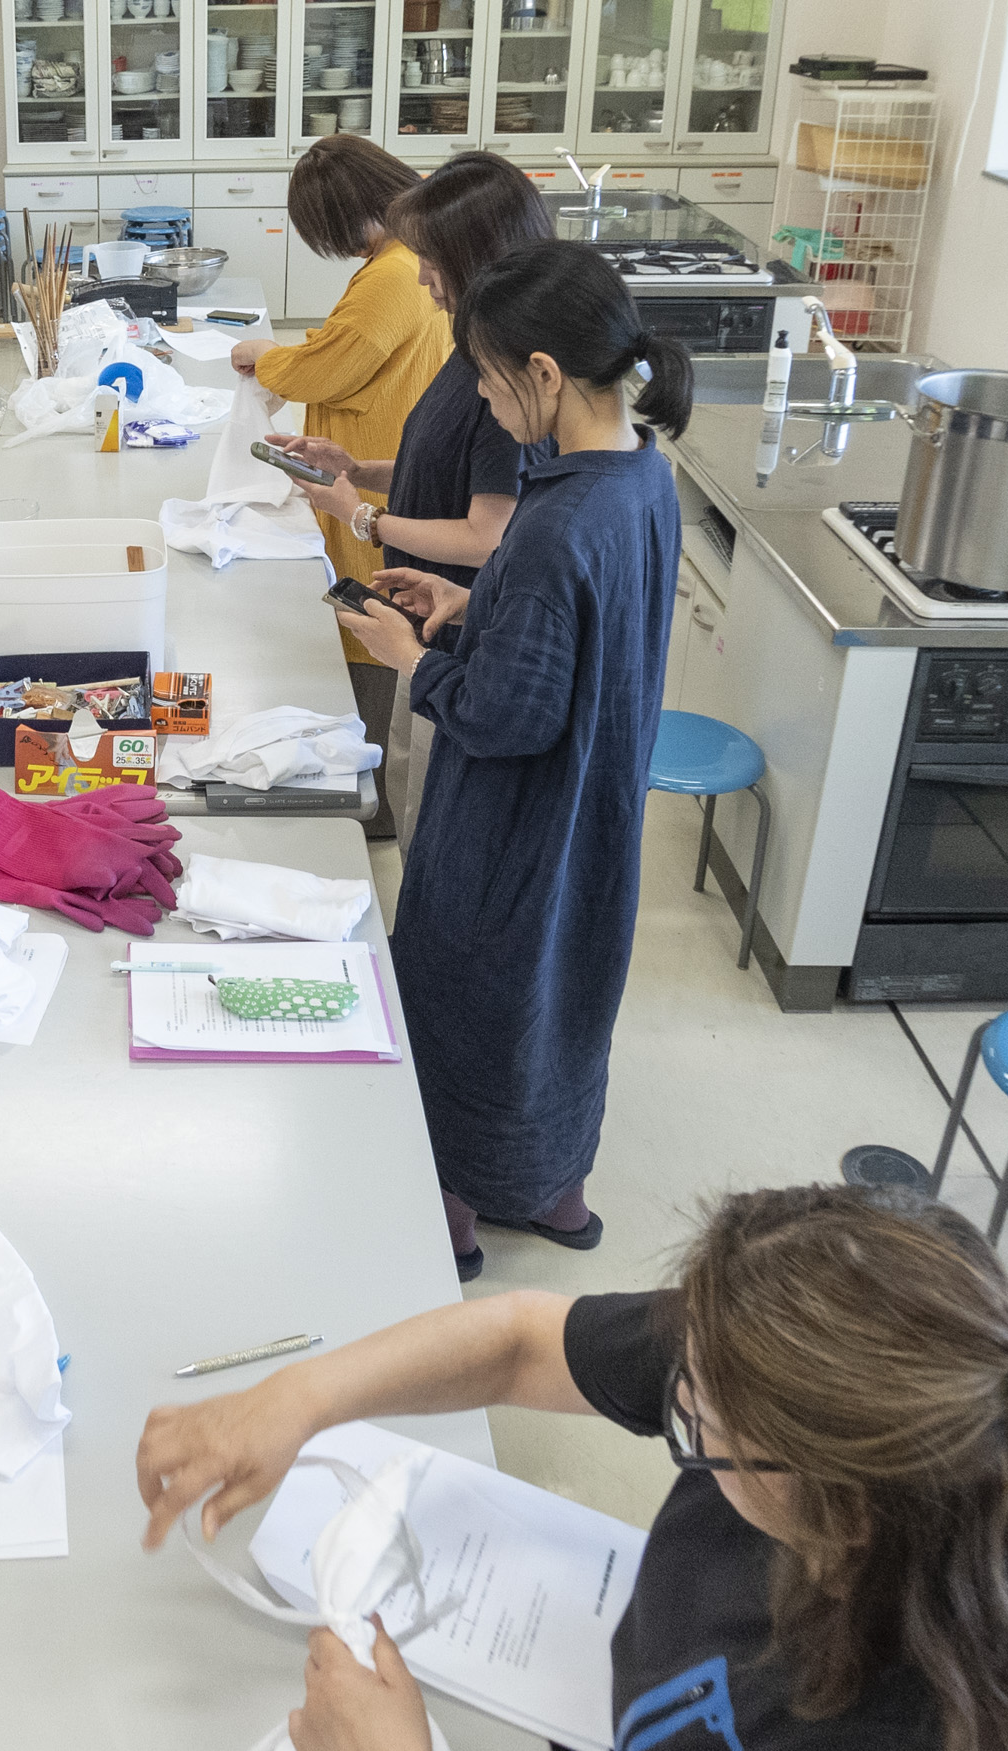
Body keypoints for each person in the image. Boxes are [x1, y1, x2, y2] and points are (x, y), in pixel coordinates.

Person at [136, 1183, 1008, 1751]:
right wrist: (300, 1399)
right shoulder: (796, 1380)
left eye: (700, 1423)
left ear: (843, 1515)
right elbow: (527, 1340)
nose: (680, 1411)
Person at [333, 239, 687, 1272]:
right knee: (566, 994)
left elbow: (508, 716)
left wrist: (414, 657)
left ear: (541, 373)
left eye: (489, 380)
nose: (484, 405)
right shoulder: (639, 478)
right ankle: (555, 1189)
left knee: (466, 990)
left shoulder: (553, 524)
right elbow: (577, 645)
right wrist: (465, 607)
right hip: (600, 806)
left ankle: (446, 1208)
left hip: (512, 823)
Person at [261, 150, 550, 845]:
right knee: (407, 775)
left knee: (431, 802)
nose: (420, 276)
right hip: (432, 602)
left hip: (454, 619)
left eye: (432, 260)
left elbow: (488, 532)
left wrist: (360, 513)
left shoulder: (512, 377)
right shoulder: (472, 347)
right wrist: (356, 466)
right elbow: (440, 462)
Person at [225, 133, 440, 839]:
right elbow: (348, 344)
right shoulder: (405, 257)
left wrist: (267, 356)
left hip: (381, 482)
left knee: (375, 613)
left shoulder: (396, 270)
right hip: (378, 463)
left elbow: (332, 366)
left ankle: (366, 798)